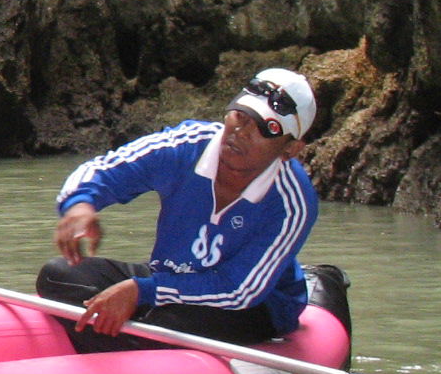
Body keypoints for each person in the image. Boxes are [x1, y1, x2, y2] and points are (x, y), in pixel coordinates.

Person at [39, 67, 320, 352]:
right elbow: (102, 170)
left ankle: (125, 345)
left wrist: (143, 291)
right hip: (172, 274)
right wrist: (80, 206)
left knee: (167, 323)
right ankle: (125, 342)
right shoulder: (185, 145)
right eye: (240, 115)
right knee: (57, 274)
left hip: (253, 304)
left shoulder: (293, 201)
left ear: (290, 149)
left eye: (265, 128)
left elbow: (239, 290)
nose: (242, 132)